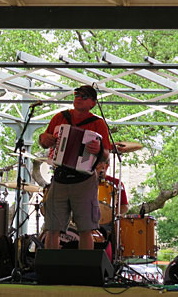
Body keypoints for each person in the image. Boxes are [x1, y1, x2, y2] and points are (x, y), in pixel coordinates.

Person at [39, 85, 112, 250]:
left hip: (84, 180)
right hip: (60, 178)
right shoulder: (60, 118)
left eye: (84, 96)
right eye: (77, 94)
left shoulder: (98, 124)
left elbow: (106, 154)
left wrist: (99, 150)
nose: (78, 97)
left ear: (92, 103)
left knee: (86, 229)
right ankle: (52, 267)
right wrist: (44, 138)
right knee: (52, 228)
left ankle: (84, 269)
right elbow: (44, 140)